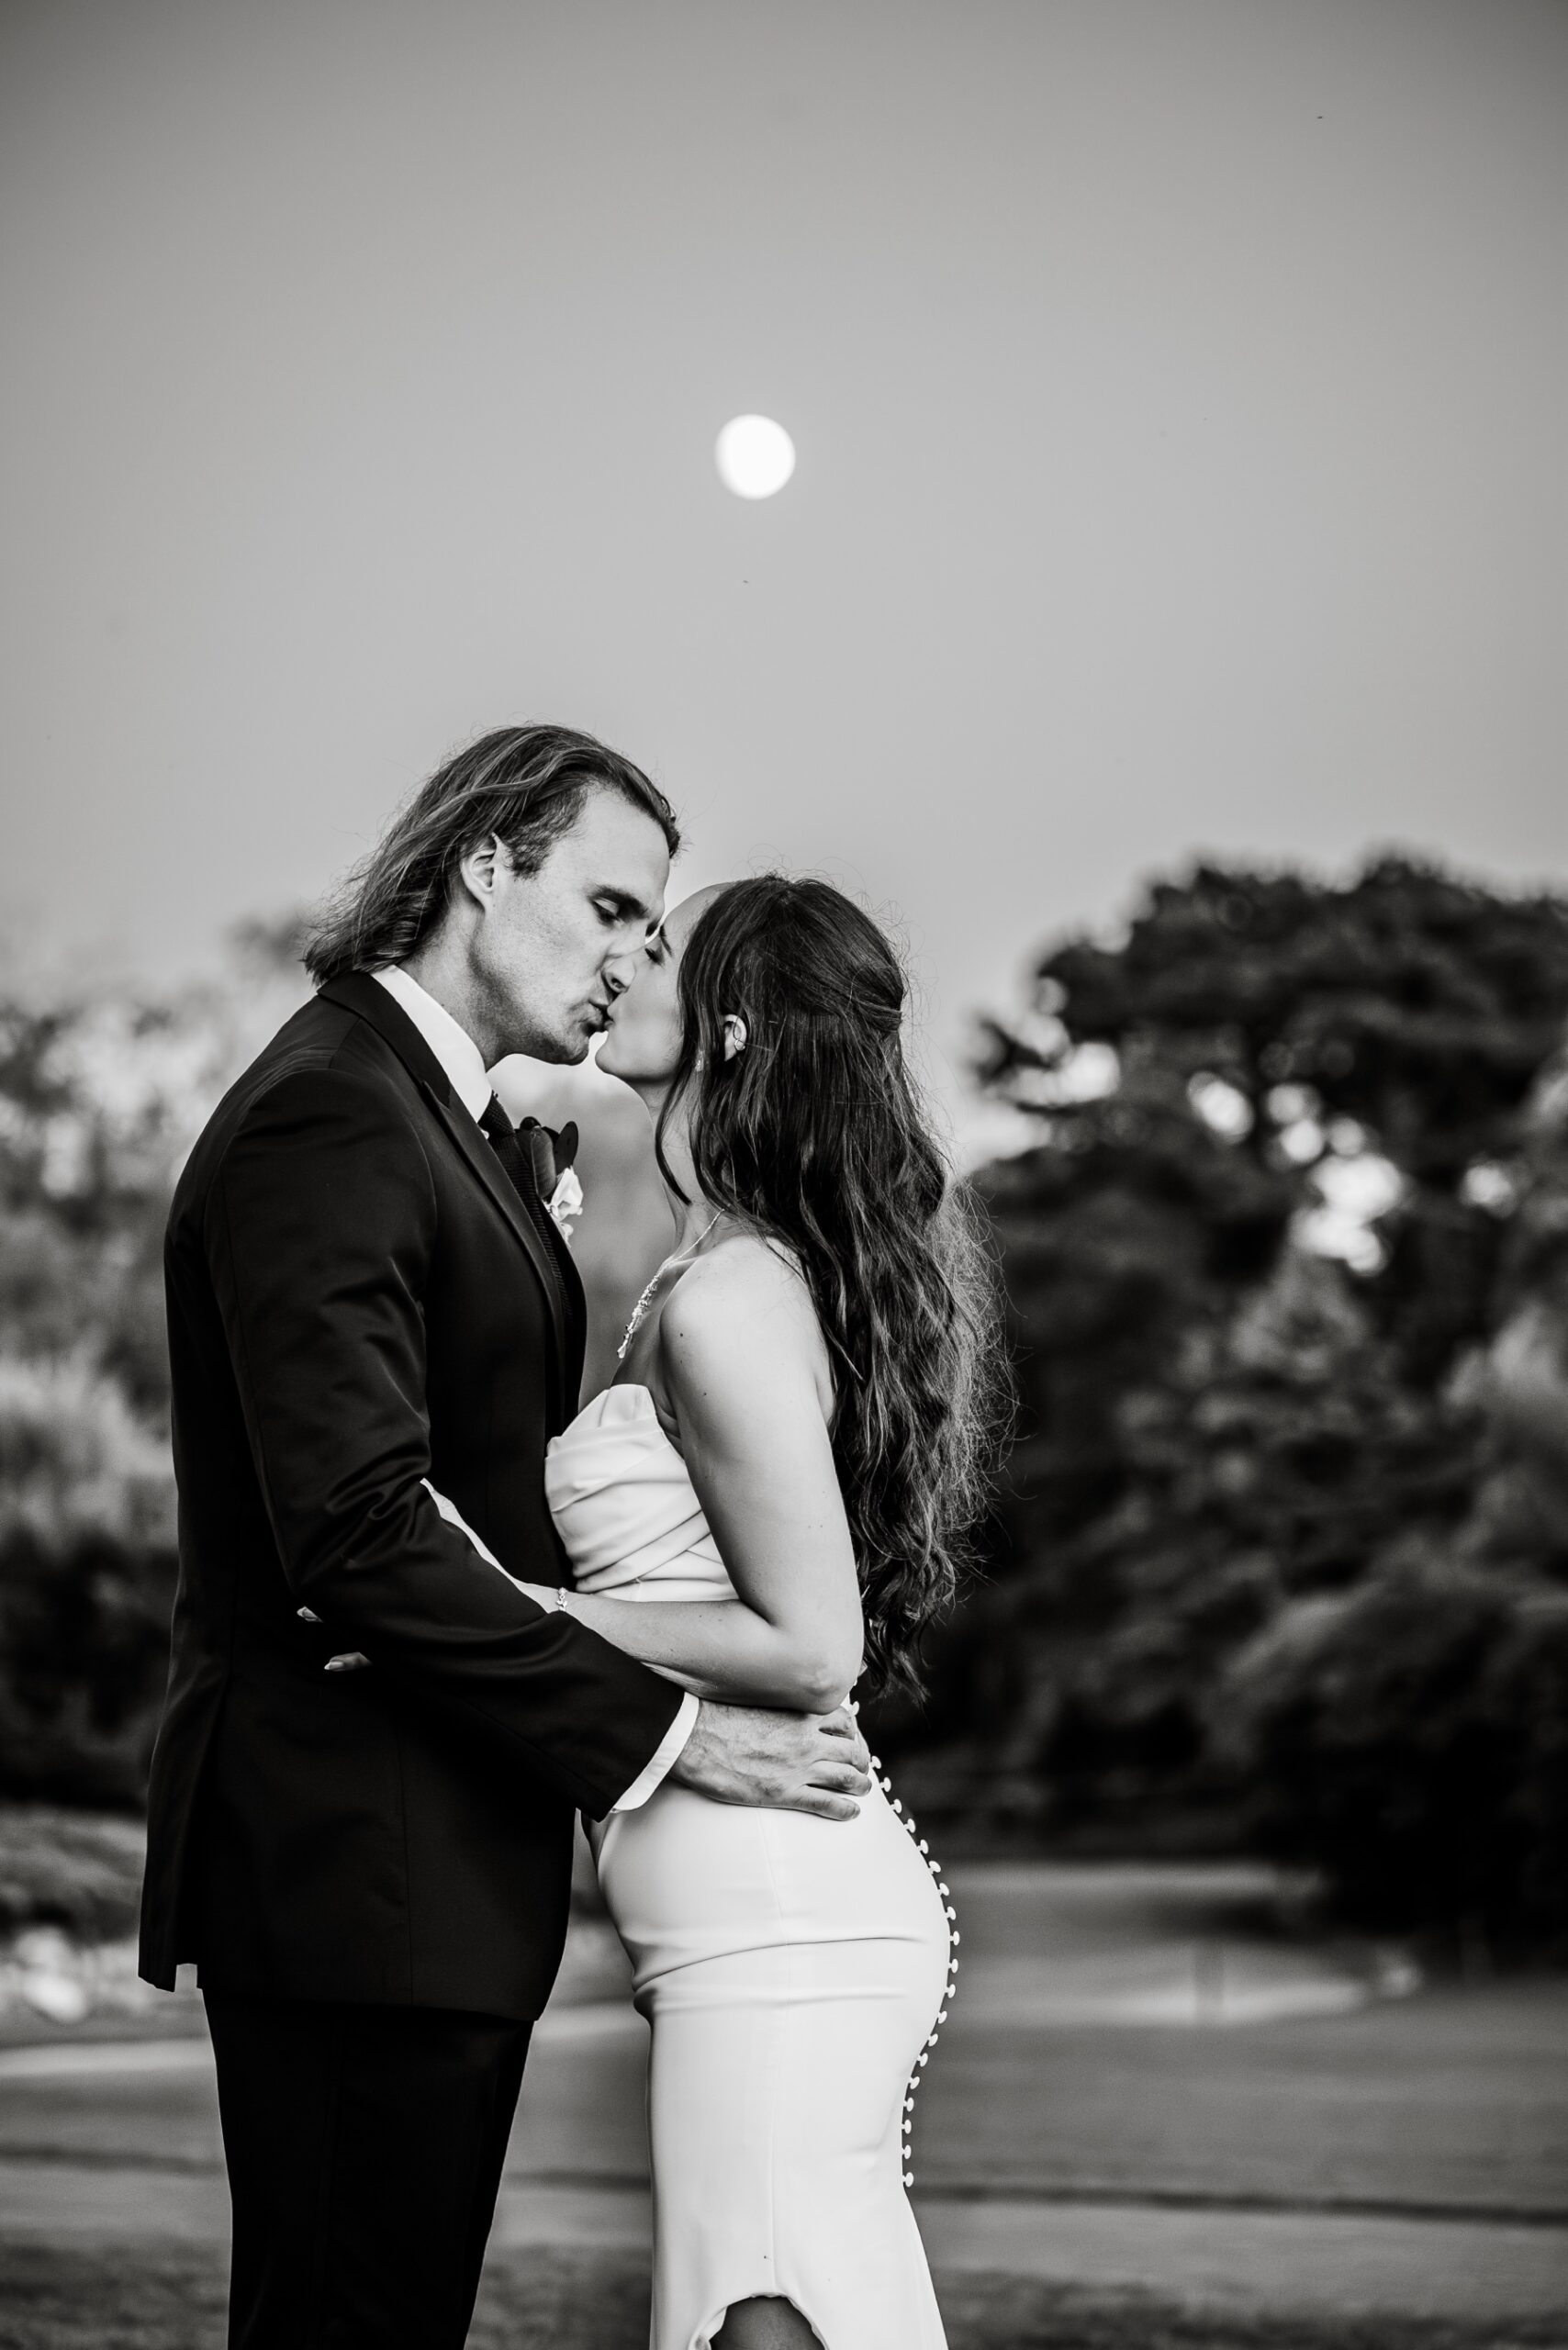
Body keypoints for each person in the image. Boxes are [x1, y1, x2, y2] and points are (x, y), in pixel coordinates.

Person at [137, 727, 871, 2350]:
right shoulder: (328, 1117)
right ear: (486, 865)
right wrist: (680, 1740)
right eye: (610, 906)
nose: (634, 959)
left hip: (428, 1883)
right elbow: (362, 1532)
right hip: (349, 1872)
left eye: (652, 926)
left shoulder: (448, 1124)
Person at [508, 875, 1000, 2350]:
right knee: (769, 2303)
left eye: (657, 944)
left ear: (723, 1027)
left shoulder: (730, 1300)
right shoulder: (705, 1274)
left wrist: (513, 1608)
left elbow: (811, 1647)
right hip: (744, 1905)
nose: (620, 957)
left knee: (763, 2310)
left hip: (778, 1917)